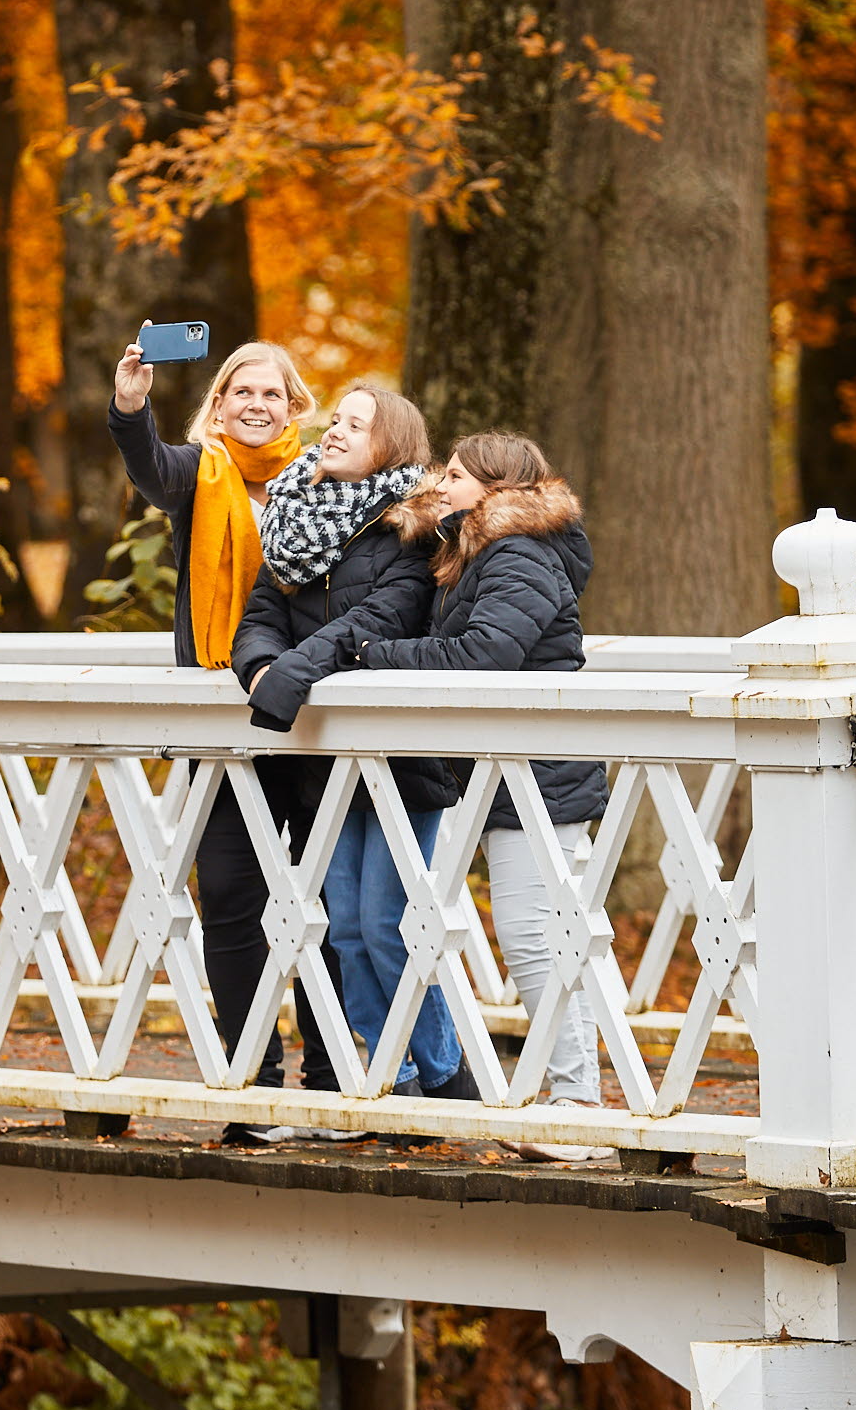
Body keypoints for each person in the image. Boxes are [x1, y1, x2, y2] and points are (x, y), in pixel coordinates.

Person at [352, 432, 609, 1163]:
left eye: (456, 474)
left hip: (539, 777)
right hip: (503, 777)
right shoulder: (476, 554)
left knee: (537, 936)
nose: (441, 480)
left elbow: (482, 656)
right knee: (533, 933)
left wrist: (376, 656)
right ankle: (568, 1096)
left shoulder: (519, 555)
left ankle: (579, 1106)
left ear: (495, 490)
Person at [107, 337, 332, 1138]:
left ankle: (334, 1080)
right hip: (222, 720)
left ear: (294, 405)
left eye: (273, 393)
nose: (258, 404)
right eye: (243, 391)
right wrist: (132, 406)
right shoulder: (200, 477)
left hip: (310, 714)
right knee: (233, 899)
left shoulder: (324, 479)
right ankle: (253, 1081)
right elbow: (149, 468)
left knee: (323, 900)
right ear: (221, 403)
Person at [230, 385, 473, 1101]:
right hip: (327, 761)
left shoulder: (414, 529)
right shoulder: (295, 520)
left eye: (354, 424)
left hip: (402, 757)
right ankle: (392, 1076)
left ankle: (447, 1073)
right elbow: (261, 614)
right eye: (333, 418)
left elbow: (382, 616)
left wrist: (287, 679)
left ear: (389, 444)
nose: (333, 431)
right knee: (342, 928)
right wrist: (260, 667)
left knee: (387, 923)